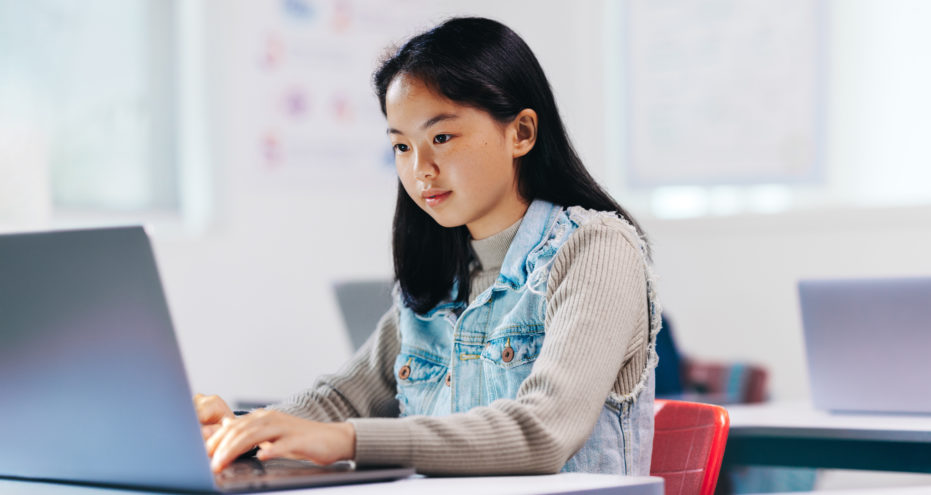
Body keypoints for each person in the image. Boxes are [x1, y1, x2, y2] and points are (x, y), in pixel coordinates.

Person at [195, 16, 661, 476]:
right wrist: (242, 432)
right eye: (401, 146)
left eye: (441, 137)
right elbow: (338, 401)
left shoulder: (597, 250)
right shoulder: (440, 279)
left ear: (521, 133)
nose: (421, 169)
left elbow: (543, 431)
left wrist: (349, 440)